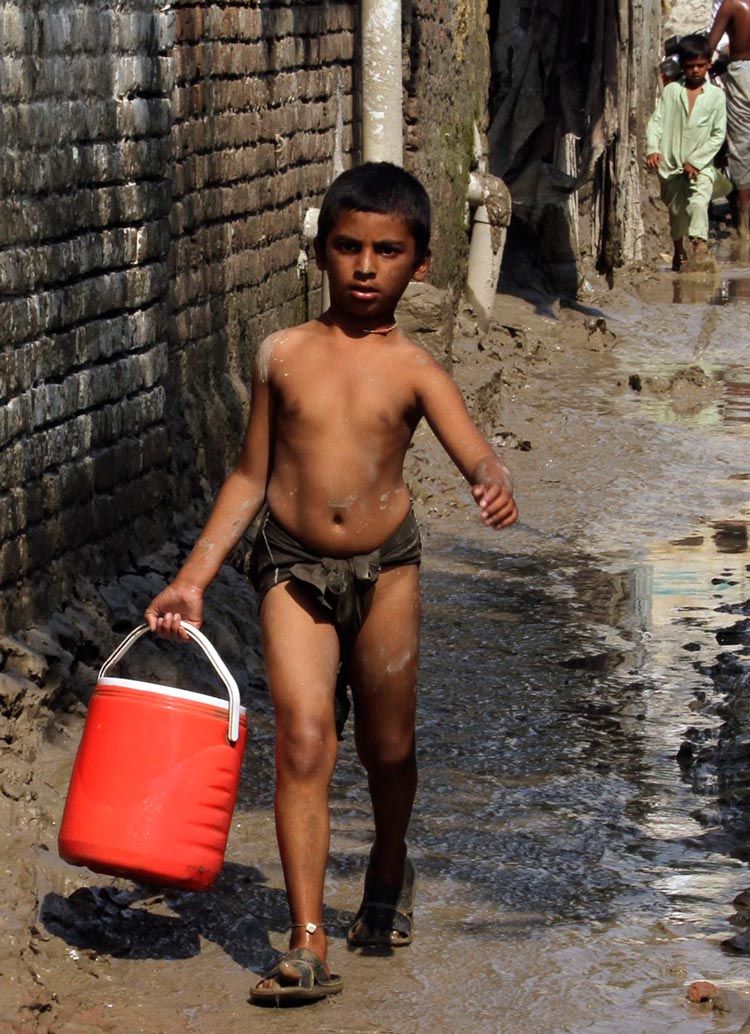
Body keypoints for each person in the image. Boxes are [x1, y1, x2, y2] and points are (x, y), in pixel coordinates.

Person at [144, 162, 518, 1004]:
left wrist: (490, 478)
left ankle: (389, 865)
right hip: (289, 569)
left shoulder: (417, 370)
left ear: (419, 264)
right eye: (347, 247)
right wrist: (194, 577)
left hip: (387, 572)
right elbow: (249, 475)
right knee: (306, 741)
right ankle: (308, 936)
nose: (364, 266)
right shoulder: (283, 355)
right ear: (321, 251)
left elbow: (473, 448)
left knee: (389, 747)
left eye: (387, 251)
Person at [646, 34, 731, 270]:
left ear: (708, 65)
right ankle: (679, 251)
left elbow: (717, 135)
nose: (695, 71)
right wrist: (653, 148)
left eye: (700, 66)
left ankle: (700, 247)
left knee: (699, 201)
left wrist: (696, 160)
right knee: (677, 213)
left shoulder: (716, 97)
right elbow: (656, 122)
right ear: (682, 66)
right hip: (671, 165)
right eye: (690, 66)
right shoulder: (672, 92)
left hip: (701, 166)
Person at [709, 0, 750, 237]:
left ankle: (745, 230)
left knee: (741, 147)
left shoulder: (732, 5)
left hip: (742, 76)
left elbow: (710, 45)